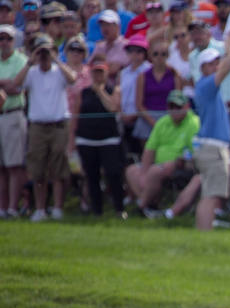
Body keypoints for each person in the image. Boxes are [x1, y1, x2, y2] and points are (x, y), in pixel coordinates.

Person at [14, 33, 77, 221]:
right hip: (38, 127)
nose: (43, 55)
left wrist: (56, 58)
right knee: (38, 170)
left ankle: (57, 207)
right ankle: (40, 209)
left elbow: (73, 79)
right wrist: (29, 61)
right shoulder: (31, 73)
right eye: (40, 51)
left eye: (46, 51)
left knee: (58, 170)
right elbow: (17, 85)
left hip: (58, 125)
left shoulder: (59, 71)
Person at [192, 26, 230, 230]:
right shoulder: (207, 84)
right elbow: (228, 67)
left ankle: (203, 231)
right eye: (211, 63)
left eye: (217, 62)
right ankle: (205, 233)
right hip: (213, 148)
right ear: (203, 68)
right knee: (210, 196)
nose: (217, 66)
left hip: (209, 147)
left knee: (208, 194)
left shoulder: (204, 86)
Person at [125, 88, 199, 216]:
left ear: (186, 106)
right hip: (157, 165)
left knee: (154, 171)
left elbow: (194, 152)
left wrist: (176, 162)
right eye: (171, 106)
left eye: (178, 106)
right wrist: (143, 174)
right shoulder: (162, 122)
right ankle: (151, 205)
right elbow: (150, 149)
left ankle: (141, 207)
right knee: (131, 171)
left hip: (180, 166)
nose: (175, 109)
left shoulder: (194, 123)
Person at [74, 58, 126, 217]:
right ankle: (97, 211)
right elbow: (76, 116)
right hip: (86, 139)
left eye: (101, 72)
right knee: (92, 176)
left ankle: (119, 209)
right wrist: (72, 140)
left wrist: (100, 91)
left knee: (113, 174)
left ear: (106, 73)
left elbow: (113, 108)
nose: (98, 76)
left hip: (108, 139)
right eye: (95, 72)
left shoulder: (113, 90)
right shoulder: (83, 93)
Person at [0, 24, 28, 218]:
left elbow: (17, 88)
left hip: (13, 112)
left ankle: (12, 208)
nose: (4, 42)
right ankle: (2, 208)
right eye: (1, 39)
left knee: (14, 165)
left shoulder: (21, 60)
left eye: (8, 39)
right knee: (1, 166)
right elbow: (9, 85)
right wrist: (7, 83)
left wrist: (8, 84)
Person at [135, 38, 183, 142]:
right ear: (150, 56)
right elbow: (139, 104)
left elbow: (178, 101)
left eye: (163, 54)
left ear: (168, 56)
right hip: (147, 119)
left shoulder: (175, 75)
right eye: (156, 54)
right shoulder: (143, 76)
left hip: (169, 117)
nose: (159, 57)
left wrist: (168, 121)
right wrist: (153, 122)